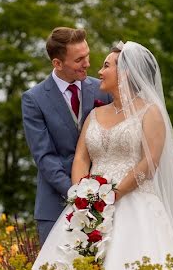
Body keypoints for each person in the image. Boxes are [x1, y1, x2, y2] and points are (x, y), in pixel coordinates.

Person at [32, 41, 173, 270]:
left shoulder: (151, 113)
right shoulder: (95, 115)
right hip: (90, 208)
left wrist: (114, 195)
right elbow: (81, 158)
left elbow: (150, 162)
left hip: (134, 202)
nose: (98, 71)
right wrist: (83, 197)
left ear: (126, 72)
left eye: (106, 65)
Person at [22, 27, 111, 246]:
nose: (88, 64)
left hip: (105, 204)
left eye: (87, 55)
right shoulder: (34, 99)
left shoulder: (103, 90)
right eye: (79, 59)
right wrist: (79, 194)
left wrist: (99, 195)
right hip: (56, 204)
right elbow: (44, 157)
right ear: (57, 63)